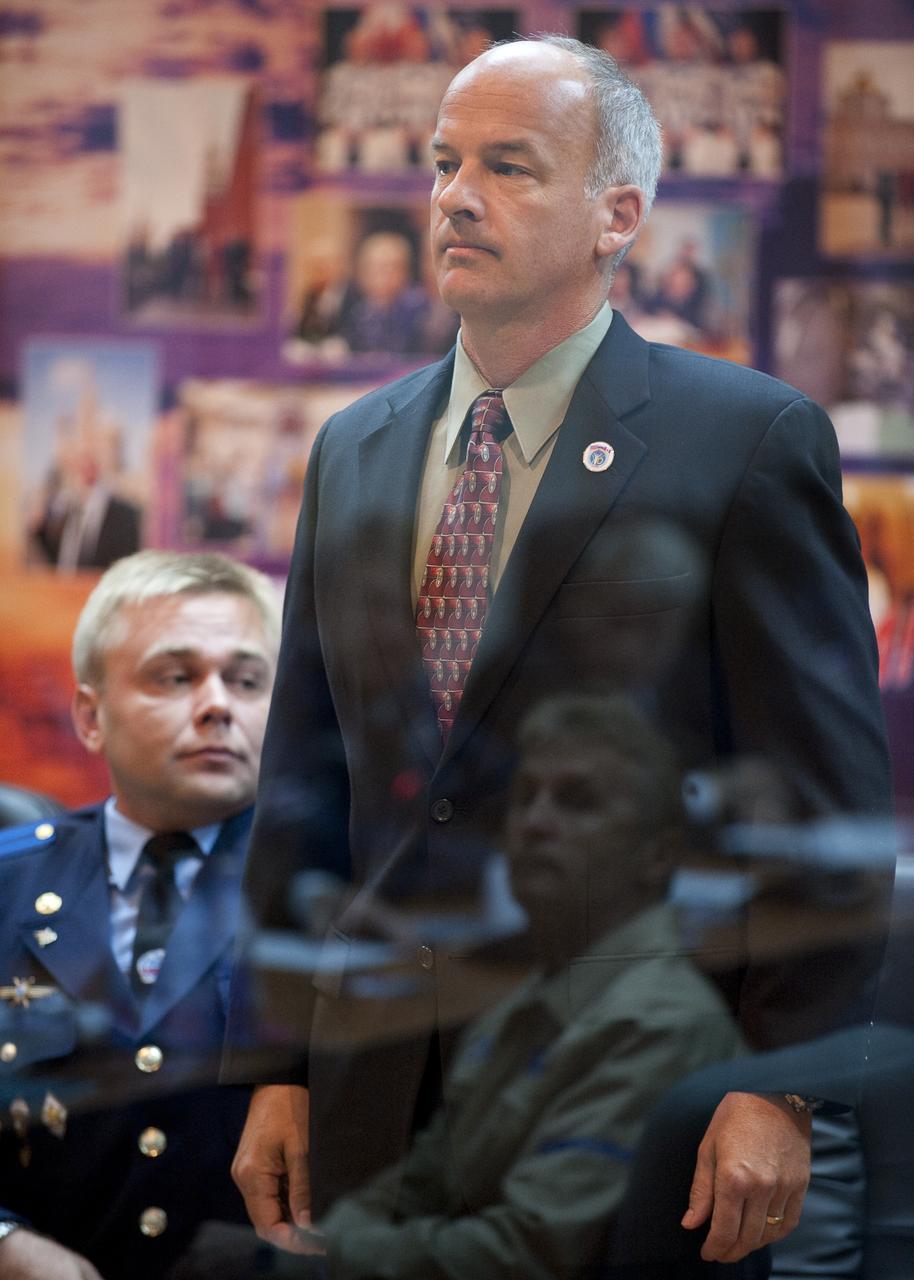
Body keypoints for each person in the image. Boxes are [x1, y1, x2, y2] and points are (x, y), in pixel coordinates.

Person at [226, 34, 891, 1271]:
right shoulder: (353, 447)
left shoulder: (743, 440)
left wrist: (780, 1086)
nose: (453, 195)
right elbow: (305, 789)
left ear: (616, 215)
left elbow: (827, 799)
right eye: (441, 162)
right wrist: (275, 1066)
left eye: (510, 166)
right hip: (375, 1100)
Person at [0, 550, 280, 1279]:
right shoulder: (10, 880)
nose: (218, 703)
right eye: (176, 676)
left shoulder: (336, 891)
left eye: (247, 680)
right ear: (91, 717)